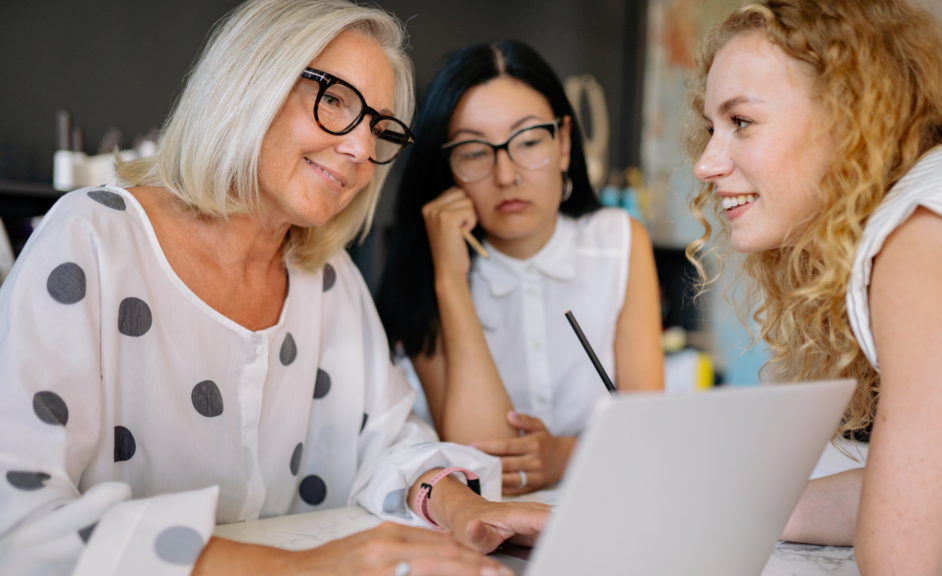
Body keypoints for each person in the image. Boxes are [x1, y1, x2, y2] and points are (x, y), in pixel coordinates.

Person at [0, 1, 547, 574]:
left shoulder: (329, 280)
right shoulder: (92, 238)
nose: (361, 152)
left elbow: (387, 443)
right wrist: (297, 567)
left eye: (379, 128)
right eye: (335, 100)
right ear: (252, 80)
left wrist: (468, 510)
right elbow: (18, 516)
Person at [685, 0, 942, 573]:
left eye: (740, 122)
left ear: (848, 115)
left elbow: (899, 558)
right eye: (711, 128)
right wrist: (566, 514)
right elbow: (900, 497)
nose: (706, 163)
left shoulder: (931, 233)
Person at [376, 41, 664, 495]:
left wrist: (568, 456)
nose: (506, 175)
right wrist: (450, 280)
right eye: (473, 152)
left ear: (565, 143)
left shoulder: (620, 243)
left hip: (608, 509)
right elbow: (484, 461)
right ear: (446, 166)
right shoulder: (428, 267)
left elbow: (648, 432)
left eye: (529, 141)